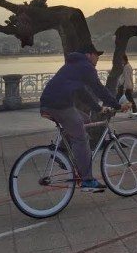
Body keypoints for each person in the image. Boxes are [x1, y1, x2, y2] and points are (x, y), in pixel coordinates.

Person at [40, 45, 125, 193]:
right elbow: (99, 89)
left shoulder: (73, 65)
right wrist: (117, 105)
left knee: (85, 120)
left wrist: (99, 109)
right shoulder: (86, 66)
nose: (98, 58)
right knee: (81, 138)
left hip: (50, 103)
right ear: (89, 54)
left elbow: (82, 93)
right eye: (97, 55)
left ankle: (61, 151)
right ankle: (87, 180)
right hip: (59, 106)